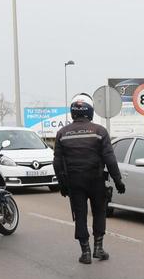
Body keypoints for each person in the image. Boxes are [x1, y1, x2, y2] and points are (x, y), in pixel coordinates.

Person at [54, 93, 126, 264]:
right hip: (96, 180)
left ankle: (85, 252)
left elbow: (57, 163)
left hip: (74, 182)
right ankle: (98, 249)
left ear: (73, 112)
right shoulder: (99, 131)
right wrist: (118, 181)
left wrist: (62, 185)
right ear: (90, 111)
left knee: (80, 215)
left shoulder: (62, 133)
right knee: (99, 212)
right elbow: (110, 159)